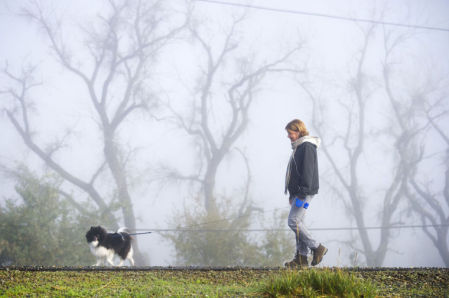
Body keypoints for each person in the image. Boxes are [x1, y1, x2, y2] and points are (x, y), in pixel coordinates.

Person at [284, 119, 327, 268]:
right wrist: (292, 194)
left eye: (290, 133)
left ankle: (317, 247)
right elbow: (295, 173)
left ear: (299, 131)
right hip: (299, 193)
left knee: (293, 221)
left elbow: (308, 171)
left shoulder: (307, 146)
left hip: (304, 192)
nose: (288, 136)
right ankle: (301, 258)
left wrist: (301, 193)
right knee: (299, 222)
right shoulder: (299, 147)